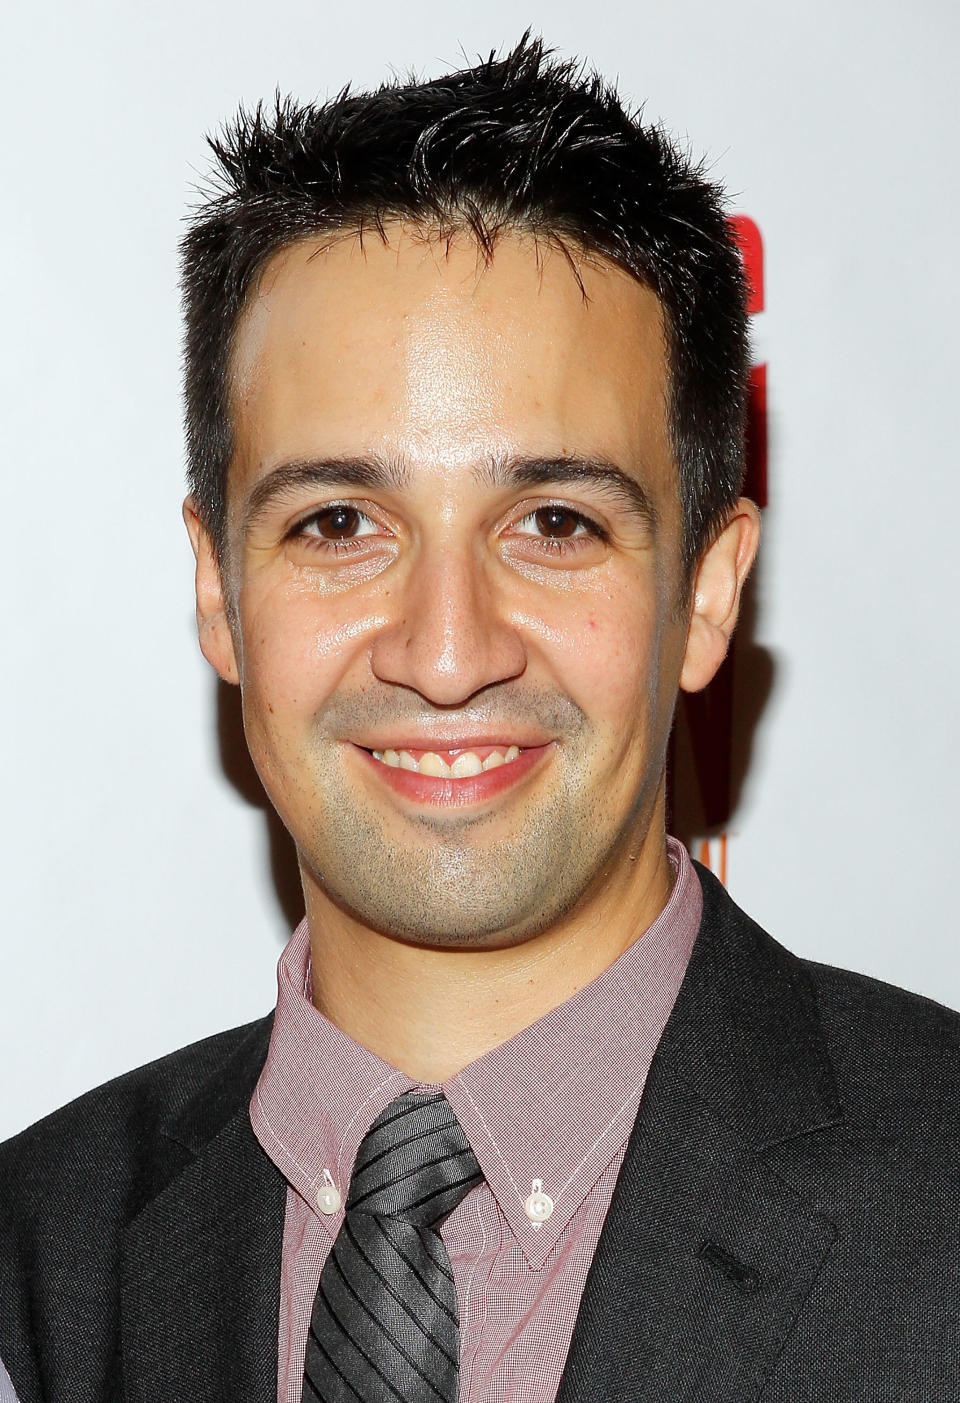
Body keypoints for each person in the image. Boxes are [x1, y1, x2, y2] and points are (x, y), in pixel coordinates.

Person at [2, 34, 958, 1403]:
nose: (446, 654)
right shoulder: (38, 1252)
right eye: (340, 523)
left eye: (555, 523)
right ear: (218, 587)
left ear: (706, 593)